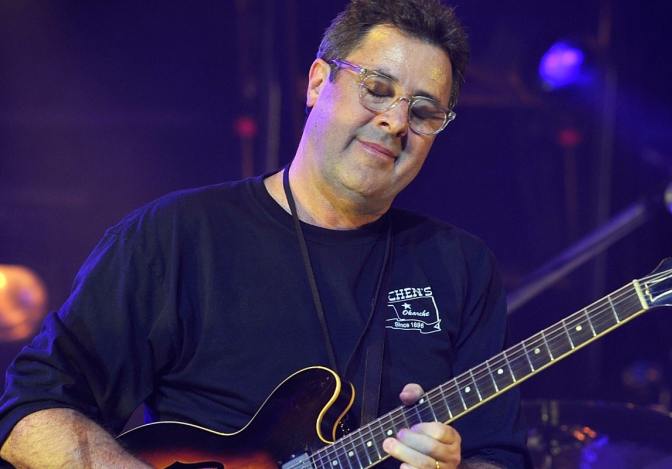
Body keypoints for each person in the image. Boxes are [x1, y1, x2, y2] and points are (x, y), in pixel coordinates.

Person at [0, 0, 527, 467]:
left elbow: (496, 454)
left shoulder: (461, 266)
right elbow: (28, 409)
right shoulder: (177, 237)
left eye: (424, 111)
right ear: (318, 82)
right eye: (376, 89)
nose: (395, 121)